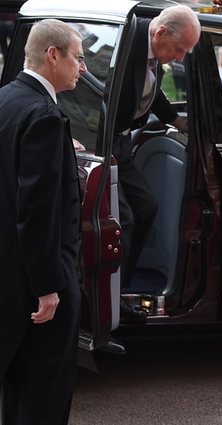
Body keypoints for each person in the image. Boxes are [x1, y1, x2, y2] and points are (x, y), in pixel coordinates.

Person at [0, 19, 87, 424]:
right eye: (79, 58)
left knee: (16, 383)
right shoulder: (45, 117)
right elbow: (37, 212)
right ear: (53, 55)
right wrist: (48, 287)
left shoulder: (6, 100)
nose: (83, 68)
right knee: (44, 389)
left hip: (7, 271)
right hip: (37, 277)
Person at [113, 5, 200, 318]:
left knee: (146, 206)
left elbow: (148, 91)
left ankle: (125, 284)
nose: (179, 58)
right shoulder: (124, 42)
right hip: (102, 143)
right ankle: (110, 299)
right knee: (123, 219)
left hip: (121, 145)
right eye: (179, 49)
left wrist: (176, 120)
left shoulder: (155, 49)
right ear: (161, 32)